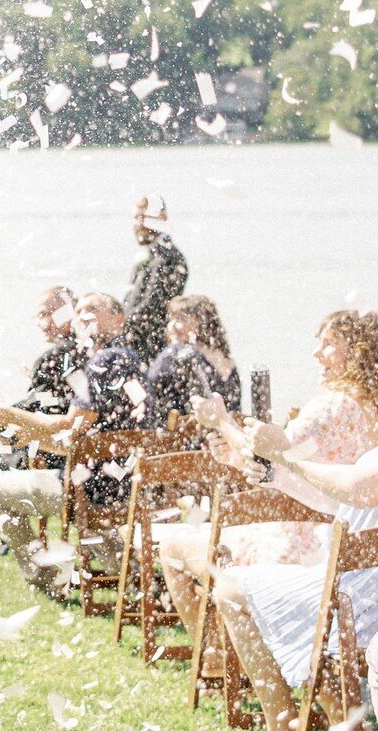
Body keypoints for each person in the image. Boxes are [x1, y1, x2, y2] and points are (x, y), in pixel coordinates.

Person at [155, 310, 378, 645]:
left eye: (330, 344)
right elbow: (288, 468)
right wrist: (238, 458)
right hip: (354, 545)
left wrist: (221, 421)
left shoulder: (333, 405)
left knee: (175, 547)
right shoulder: (370, 406)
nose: (316, 354)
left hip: (311, 540)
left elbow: (267, 452)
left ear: (360, 350)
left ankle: (219, 655)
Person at [199, 361, 378, 731]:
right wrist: (274, 472)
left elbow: (357, 489)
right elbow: (343, 503)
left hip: (361, 597)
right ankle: (346, 724)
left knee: (229, 587)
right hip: (358, 585)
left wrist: (281, 455)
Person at [0, 293, 152, 597]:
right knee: (102, 532)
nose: (84, 316)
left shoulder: (101, 362)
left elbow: (63, 427)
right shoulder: (132, 358)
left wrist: (7, 413)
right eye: (80, 311)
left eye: (94, 310)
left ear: (119, 319)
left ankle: (42, 577)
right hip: (125, 485)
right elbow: (85, 438)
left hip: (90, 490)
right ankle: (138, 581)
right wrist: (33, 437)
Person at [0, 286, 80, 473]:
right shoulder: (92, 352)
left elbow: (41, 413)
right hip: (87, 454)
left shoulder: (53, 358)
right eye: (37, 317)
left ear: (66, 312)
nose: (40, 323)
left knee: (7, 446)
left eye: (44, 314)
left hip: (56, 458)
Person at [146, 294, 241, 431]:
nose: (171, 325)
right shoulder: (226, 359)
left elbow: (149, 392)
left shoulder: (175, 354)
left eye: (180, 319)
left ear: (199, 322)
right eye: (172, 319)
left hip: (186, 441)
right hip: (224, 436)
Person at [122, 197, 188, 366]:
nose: (137, 224)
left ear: (162, 218)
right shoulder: (152, 254)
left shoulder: (167, 257)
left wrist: (117, 325)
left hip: (150, 348)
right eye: (136, 217)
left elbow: (152, 306)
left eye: (143, 217)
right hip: (140, 345)